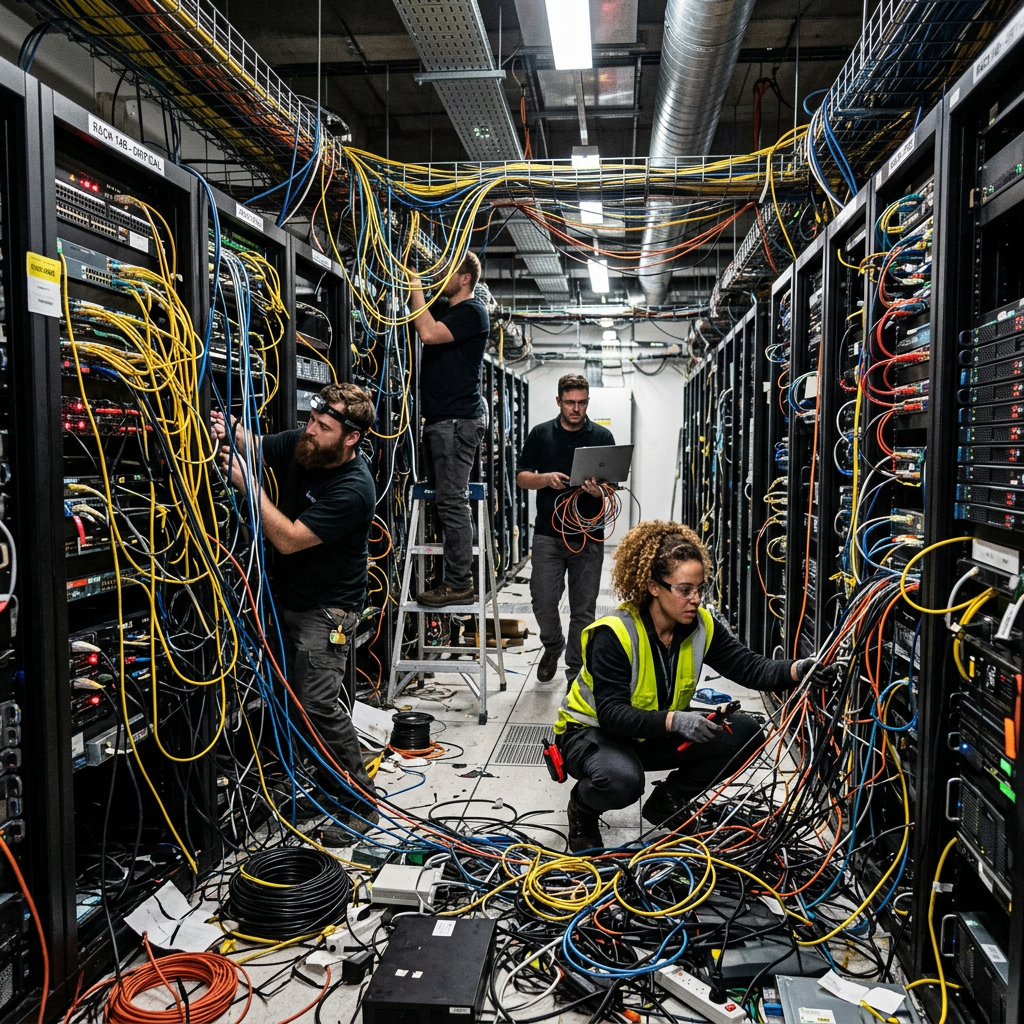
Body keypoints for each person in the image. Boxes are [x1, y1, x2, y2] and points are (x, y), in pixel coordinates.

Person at [551, 520, 839, 851]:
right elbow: (613, 715)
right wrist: (676, 720)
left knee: (744, 734)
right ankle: (583, 810)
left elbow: (749, 667)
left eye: (700, 588)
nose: (696, 599)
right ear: (654, 586)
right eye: (685, 590)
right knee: (622, 781)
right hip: (592, 734)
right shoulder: (614, 634)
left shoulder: (701, 626)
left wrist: (799, 669)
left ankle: (669, 800)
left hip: (648, 732)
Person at [211, 382, 379, 831]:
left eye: (323, 426)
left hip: (328, 611)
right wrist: (225, 426)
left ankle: (362, 802)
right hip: (287, 599)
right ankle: (328, 788)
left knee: (317, 705)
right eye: (312, 419)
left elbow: (287, 539)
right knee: (293, 705)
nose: (311, 430)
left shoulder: (354, 487)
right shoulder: (306, 445)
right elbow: (253, 441)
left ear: (351, 438)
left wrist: (249, 487)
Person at [517, 374, 614, 685]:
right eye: (570, 402)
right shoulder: (541, 434)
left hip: (588, 535)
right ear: (559, 401)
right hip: (548, 533)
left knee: (583, 610)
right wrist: (545, 479)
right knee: (542, 600)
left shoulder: (602, 436)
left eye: (582, 403)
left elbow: (612, 485)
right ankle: (553, 644)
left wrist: (598, 491)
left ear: (588, 401)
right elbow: (521, 477)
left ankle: (575, 672)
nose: (576, 408)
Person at [406, 252, 489, 607]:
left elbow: (426, 332)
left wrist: (415, 282)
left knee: (452, 501)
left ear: (465, 278)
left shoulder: (473, 312)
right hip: (443, 422)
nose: (439, 276)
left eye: (446, 271)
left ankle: (459, 583)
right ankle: (451, 578)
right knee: (445, 501)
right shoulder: (448, 309)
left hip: (457, 422)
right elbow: (418, 316)